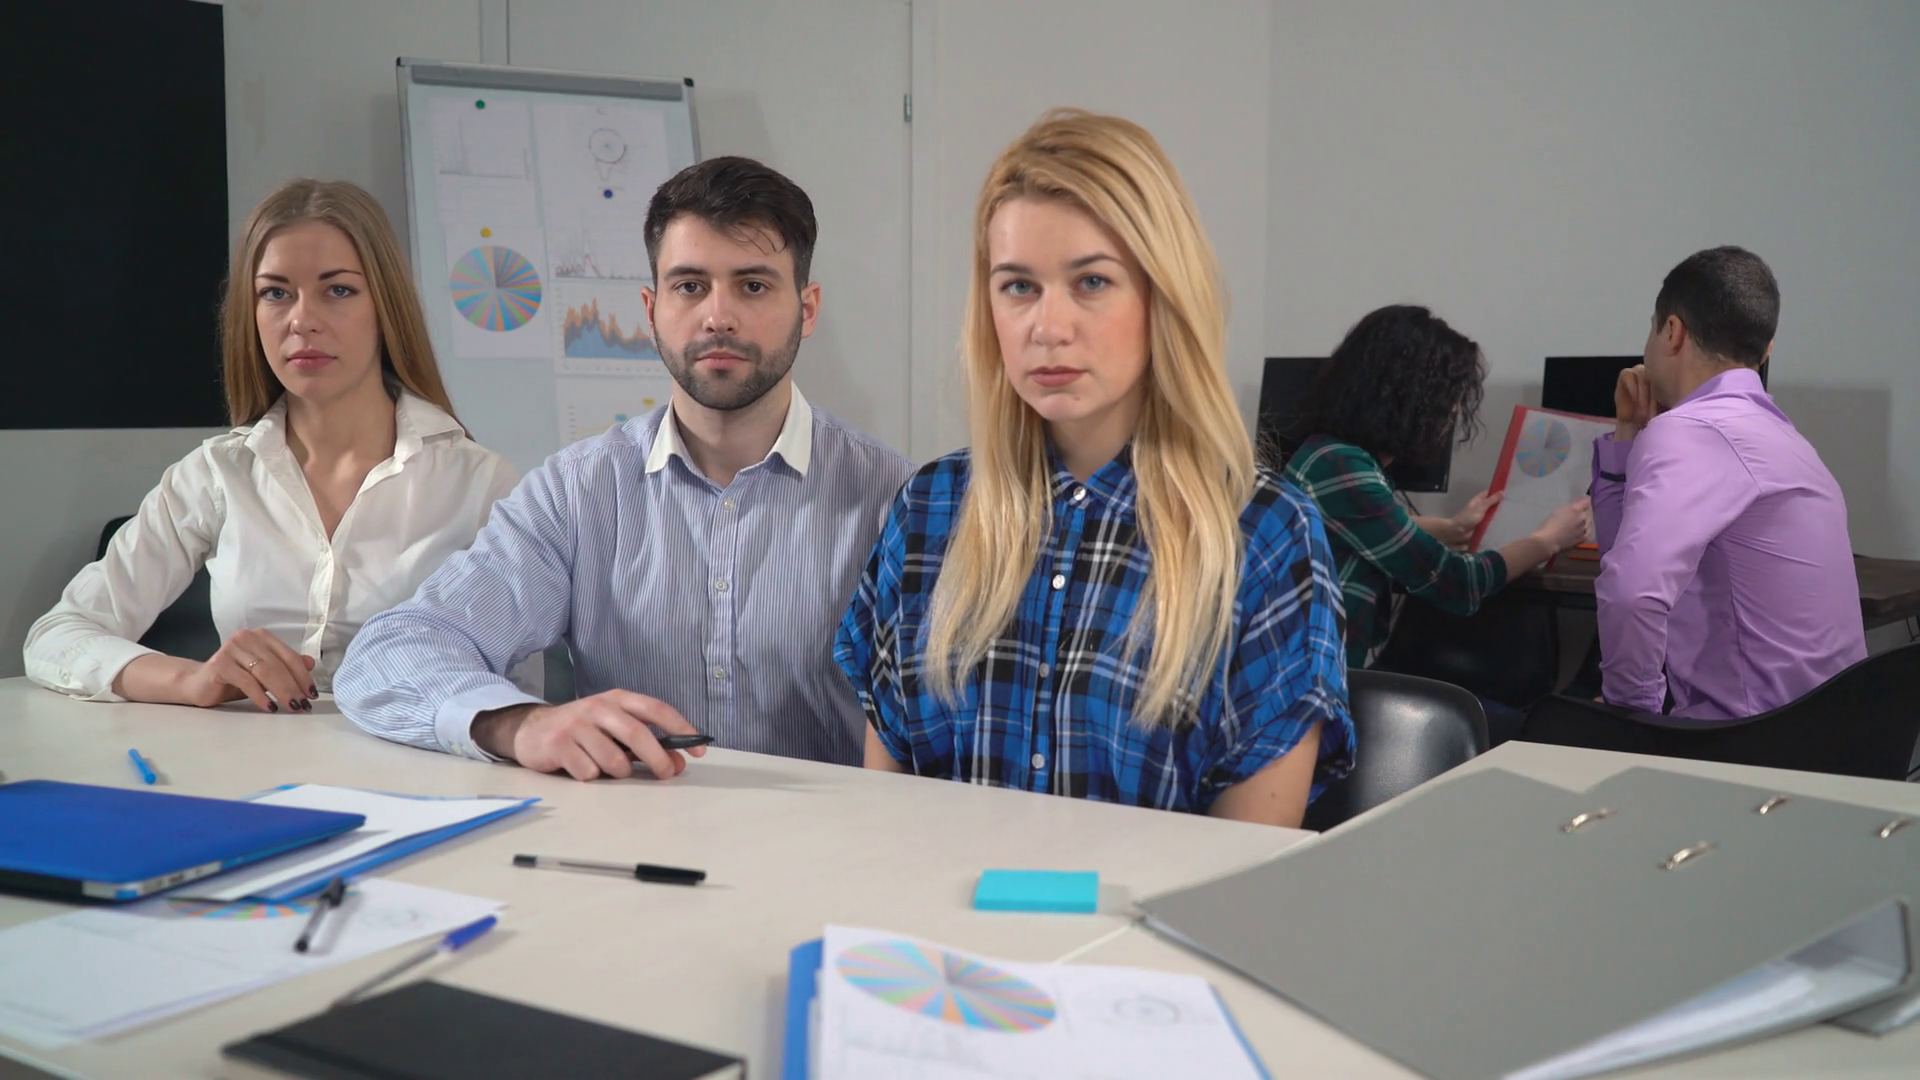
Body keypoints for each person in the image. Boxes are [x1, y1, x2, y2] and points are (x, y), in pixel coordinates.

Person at [836, 110, 1353, 828]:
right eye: (1018, 286)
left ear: (1162, 295)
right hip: (939, 903)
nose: (1048, 328)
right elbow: (885, 818)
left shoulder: (1262, 532)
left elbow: (1248, 863)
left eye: (1092, 282)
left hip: (1156, 909)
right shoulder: (931, 508)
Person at [335, 157, 915, 781]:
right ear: (650, 308)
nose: (718, 316)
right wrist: (518, 724)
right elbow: (391, 652)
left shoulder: (895, 498)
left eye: (753, 286)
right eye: (690, 286)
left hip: (828, 836)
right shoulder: (577, 492)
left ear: (808, 307)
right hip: (632, 832)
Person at [23, 180, 515, 712]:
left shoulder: (480, 484)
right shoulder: (217, 472)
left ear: (386, 306)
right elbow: (58, 634)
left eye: (338, 290)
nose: (302, 321)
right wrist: (191, 680)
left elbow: (515, 696)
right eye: (275, 293)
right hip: (250, 757)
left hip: (420, 755)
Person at [1283, 305, 1591, 741]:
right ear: (1411, 395)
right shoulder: (1344, 469)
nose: (1454, 410)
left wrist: (1450, 528)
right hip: (1323, 691)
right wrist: (1546, 540)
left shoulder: (1330, 456)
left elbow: (1365, 532)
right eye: (1448, 395)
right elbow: (1457, 583)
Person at [1588, 246, 1864, 719]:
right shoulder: (1789, 441)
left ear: (1671, 331)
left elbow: (1630, 597)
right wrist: (1628, 433)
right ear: (1765, 351)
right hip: (1827, 734)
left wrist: (1632, 721)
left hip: (1747, 740)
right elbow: (1622, 565)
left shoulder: (1691, 430)